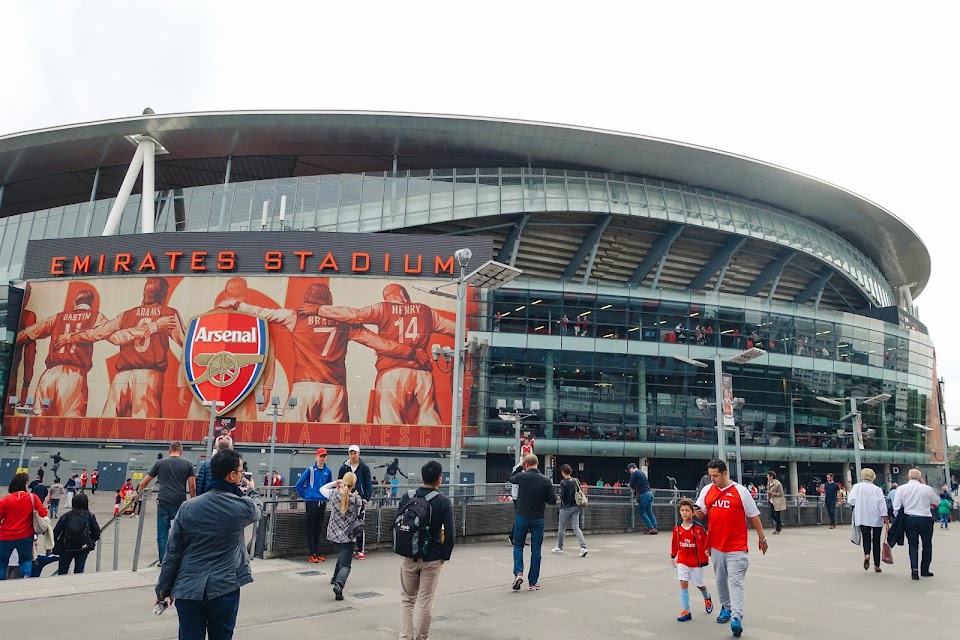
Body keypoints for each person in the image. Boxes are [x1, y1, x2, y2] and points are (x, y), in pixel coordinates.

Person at [220, 282, 420, 422]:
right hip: (335, 389)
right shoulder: (345, 323)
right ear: (329, 302)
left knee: (292, 439)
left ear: (307, 300)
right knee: (333, 446)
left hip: (303, 387)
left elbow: (263, 312)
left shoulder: (294, 316)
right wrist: (411, 352)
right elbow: (380, 343)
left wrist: (236, 304)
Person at [307, 283, 456, 425]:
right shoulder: (426, 311)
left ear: (388, 298)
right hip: (422, 374)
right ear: (404, 295)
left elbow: (355, 315)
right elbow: (456, 329)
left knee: (388, 421)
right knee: (429, 418)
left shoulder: (383, 309)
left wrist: (318, 310)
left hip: (391, 373)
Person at [155, 448, 262, 639]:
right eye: (240, 472)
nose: (241, 476)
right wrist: (251, 490)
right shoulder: (242, 507)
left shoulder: (188, 507)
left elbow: (173, 553)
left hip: (188, 589)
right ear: (231, 476)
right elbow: (257, 509)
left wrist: (163, 589)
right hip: (224, 588)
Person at [55, 277, 185, 418]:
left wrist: (70, 337)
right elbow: (186, 343)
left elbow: (98, 332)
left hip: (121, 377)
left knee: (108, 424)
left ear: (145, 293)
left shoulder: (126, 315)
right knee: (143, 427)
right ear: (164, 294)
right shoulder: (168, 314)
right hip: (149, 375)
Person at [694, 460, 768, 638]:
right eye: (710, 475)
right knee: (720, 579)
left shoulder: (740, 491)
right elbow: (702, 513)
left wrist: (762, 538)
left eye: (716, 476)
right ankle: (725, 608)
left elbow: (754, 516)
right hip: (716, 545)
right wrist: (695, 511)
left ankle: (736, 618)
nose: (713, 479)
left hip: (736, 546)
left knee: (735, 582)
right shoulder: (707, 490)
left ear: (725, 474)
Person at [16, 288, 107, 416]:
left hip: (49, 375)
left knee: (37, 422)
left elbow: (28, 333)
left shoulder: (57, 317)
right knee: (69, 424)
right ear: (91, 303)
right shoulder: (96, 316)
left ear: (75, 303)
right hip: (74, 374)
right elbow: (108, 331)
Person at [398, 460, 456, 640]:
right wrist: (443, 557)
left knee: (407, 600)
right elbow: (451, 534)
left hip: (408, 557)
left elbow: (398, 525)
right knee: (425, 601)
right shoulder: (443, 501)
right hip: (432, 558)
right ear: (439, 480)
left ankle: (405, 637)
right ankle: (421, 637)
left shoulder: (407, 497)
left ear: (422, 477)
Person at [137, 441, 197, 564]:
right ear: (181, 451)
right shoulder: (188, 464)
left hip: (163, 501)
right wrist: (193, 500)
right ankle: (178, 558)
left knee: (162, 532)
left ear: (169, 451)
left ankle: (164, 560)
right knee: (180, 531)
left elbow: (144, 482)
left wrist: (139, 496)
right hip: (179, 501)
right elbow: (192, 485)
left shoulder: (160, 463)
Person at [509, 453, 556, 591]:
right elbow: (552, 500)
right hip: (538, 518)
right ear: (537, 464)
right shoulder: (546, 480)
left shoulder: (522, 477)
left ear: (526, 464)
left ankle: (518, 573)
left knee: (518, 546)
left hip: (522, 516)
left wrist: (519, 468)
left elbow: (510, 478)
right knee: (536, 550)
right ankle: (532, 582)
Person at [319, 472, 364, 601]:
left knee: (342, 554)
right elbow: (358, 512)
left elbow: (321, 489)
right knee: (346, 565)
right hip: (347, 536)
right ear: (354, 484)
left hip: (333, 534)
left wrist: (335, 483)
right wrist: (353, 495)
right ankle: (339, 585)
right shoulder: (357, 500)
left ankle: (335, 578)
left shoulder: (334, 495)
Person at [0, 472, 49, 580]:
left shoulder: (6, 500)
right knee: (25, 560)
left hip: (6, 536)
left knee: (2, 562)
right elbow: (43, 513)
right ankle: (25, 579)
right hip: (25, 536)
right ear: (25, 483)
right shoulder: (32, 498)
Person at [671, 498, 713, 622]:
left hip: (696, 562)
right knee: (683, 583)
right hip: (683, 560)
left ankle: (707, 597)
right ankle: (686, 610)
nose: (685, 513)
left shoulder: (698, 529)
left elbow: (706, 542)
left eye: (687, 510)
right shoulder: (677, 528)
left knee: (699, 584)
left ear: (693, 513)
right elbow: (675, 543)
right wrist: (673, 556)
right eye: (682, 510)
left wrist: (708, 550)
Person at [893, 469, 939, 579]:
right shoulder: (927, 488)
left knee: (913, 545)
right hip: (925, 519)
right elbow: (937, 501)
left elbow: (896, 507)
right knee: (927, 544)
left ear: (908, 477)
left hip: (910, 519)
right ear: (920, 477)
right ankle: (925, 569)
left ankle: (914, 568)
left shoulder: (901, 489)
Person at [847, 468, 889, 572]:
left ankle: (866, 554)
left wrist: (860, 503)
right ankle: (877, 565)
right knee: (876, 540)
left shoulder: (856, 487)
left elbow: (851, 501)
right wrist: (886, 520)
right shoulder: (877, 489)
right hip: (876, 517)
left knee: (866, 537)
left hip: (862, 516)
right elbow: (882, 506)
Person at [296, 447, 333, 563]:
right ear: (316, 457)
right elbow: (299, 484)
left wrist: (326, 497)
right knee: (311, 528)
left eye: (324, 456)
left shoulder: (328, 471)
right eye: (320, 456)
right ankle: (312, 553)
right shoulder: (310, 470)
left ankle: (317, 552)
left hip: (322, 502)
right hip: (312, 502)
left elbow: (329, 486)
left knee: (318, 528)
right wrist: (307, 497)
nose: (322, 458)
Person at [337, 445, 373, 559]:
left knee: (359, 524)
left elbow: (368, 484)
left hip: (359, 499)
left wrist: (366, 498)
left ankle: (360, 549)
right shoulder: (344, 468)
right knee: (347, 524)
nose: (353, 455)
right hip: (347, 499)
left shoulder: (364, 468)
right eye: (351, 453)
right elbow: (340, 482)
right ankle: (349, 548)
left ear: (359, 454)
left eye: (355, 453)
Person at [53, 493, 100, 574]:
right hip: (83, 547)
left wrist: (57, 543)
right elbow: (97, 532)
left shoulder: (66, 516)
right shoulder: (90, 516)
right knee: (79, 570)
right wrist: (90, 541)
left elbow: (56, 532)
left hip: (66, 547)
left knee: (62, 571)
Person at [552, 464, 588, 557]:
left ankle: (559, 547)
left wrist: (560, 497)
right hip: (576, 506)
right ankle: (583, 547)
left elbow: (562, 496)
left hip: (565, 508)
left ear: (563, 472)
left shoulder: (563, 482)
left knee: (561, 527)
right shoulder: (576, 480)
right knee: (576, 527)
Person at [628, 462, 657, 534]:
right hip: (650, 493)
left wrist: (629, 485)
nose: (629, 472)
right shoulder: (641, 473)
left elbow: (632, 484)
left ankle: (651, 528)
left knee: (642, 512)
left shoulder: (634, 473)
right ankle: (655, 528)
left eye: (629, 470)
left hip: (644, 495)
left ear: (632, 468)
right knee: (650, 512)